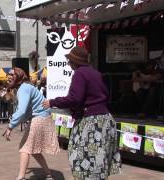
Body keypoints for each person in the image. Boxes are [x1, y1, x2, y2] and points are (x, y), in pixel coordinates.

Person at [42, 46, 121, 180]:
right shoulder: (95, 73)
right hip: (105, 121)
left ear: (74, 61)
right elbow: (105, 94)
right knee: (99, 160)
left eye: (69, 61)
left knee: (84, 159)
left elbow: (75, 98)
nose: (68, 63)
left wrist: (52, 102)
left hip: (92, 122)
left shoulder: (80, 73)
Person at [2, 67, 59, 180]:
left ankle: (21, 177)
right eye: (8, 74)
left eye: (12, 74)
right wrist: (14, 123)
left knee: (25, 147)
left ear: (19, 77)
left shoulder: (24, 88)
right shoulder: (25, 87)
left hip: (40, 118)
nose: (8, 76)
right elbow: (26, 111)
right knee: (33, 149)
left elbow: (22, 111)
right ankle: (48, 175)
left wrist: (10, 126)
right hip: (42, 117)